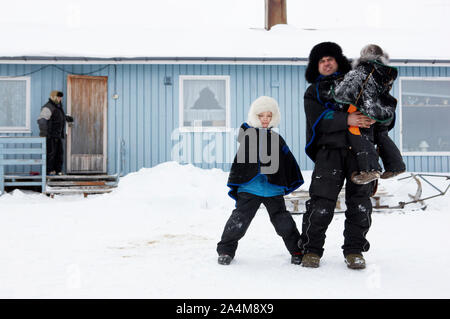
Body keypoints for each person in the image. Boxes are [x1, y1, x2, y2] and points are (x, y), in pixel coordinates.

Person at [299, 42, 376, 269]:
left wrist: (375, 117)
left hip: (360, 153)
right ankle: (312, 250)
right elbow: (318, 120)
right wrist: (347, 120)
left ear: (338, 61)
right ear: (316, 66)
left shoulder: (360, 84)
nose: (326, 63)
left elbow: (382, 112)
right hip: (328, 153)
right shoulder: (313, 92)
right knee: (321, 203)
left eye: (330, 58)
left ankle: (354, 251)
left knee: (360, 204)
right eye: (321, 61)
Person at [217, 96, 304, 265]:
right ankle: (226, 250)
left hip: (273, 189)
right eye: (261, 116)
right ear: (255, 117)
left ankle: (297, 250)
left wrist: (289, 181)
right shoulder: (248, 135)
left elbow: (287, 161)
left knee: (283, 222)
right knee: (239, 220)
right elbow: (242, 150)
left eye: (269, 116)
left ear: (274, 118)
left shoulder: (277, 139)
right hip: (249, 188)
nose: (265, 119)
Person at [332, 44, 406, 184]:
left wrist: (336, 86)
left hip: (365, 110)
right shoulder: (383, 72)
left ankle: (370, 170)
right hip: (381, 111)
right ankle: (396, 165)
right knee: (381, 136)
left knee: (360, 136)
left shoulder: (362, 70)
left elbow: (345, 89)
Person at [37, 90, 73, 175]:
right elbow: (42, 121)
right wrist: (45, 134)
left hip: (58, 135)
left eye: (60, 97)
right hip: (50, 136)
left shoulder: (57, 107)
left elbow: (57, 116)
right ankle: (49, 172)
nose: (60, 99)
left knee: (59, 154)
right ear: (53, 97)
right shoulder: (48, 107)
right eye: (58, 97)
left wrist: (66, 118)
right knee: (50, 154)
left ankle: (58, 171)